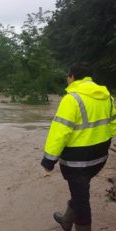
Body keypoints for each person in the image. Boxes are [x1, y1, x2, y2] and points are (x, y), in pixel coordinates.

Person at [41, 62, 116, 231]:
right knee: (80, 191)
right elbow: (113, 127)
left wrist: (49, 159)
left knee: (82, 201)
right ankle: (67, 220)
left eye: (68, 77)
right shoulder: (106, 97)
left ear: (72, 77)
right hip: (100, 158)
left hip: (77, 162)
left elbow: (60, 132)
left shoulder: (72, 99)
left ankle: (77, 224)